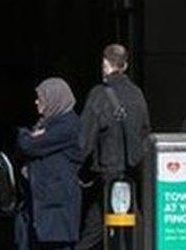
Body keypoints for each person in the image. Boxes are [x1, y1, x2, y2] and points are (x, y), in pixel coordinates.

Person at [77, 44, 151, 250]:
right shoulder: (137, 94)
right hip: (131, 170)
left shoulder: (98, 94)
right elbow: (146, 131)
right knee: (121, 222)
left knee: (101, 224)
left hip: (107, 171)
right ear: (125, 65)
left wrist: (78, 169)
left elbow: (85, 140)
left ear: (105, 64)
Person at [15, 78, 82, 250]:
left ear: (53, 98)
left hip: (56, 210)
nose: (36, 102)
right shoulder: (48, 123)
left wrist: (24, 134)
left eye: (41, 98)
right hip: (41, 207)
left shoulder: (68, 126)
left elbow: (29, 145)